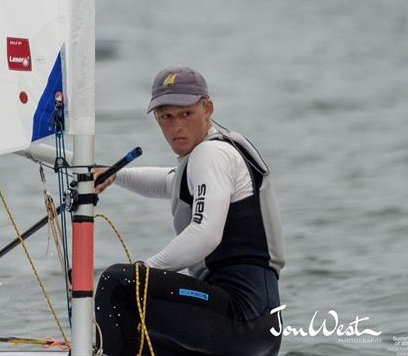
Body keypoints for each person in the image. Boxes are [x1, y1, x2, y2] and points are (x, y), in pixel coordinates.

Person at [94, 66, 285, 356]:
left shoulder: (211, 155)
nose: (176, 126)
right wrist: (116, 175)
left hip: (241, 316)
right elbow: (171, 182)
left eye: (186, 114)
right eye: (166, 117)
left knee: (119, 284)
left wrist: (144, 271)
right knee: (144, 328)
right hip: (258, 325)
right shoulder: (213, 153)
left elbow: (205, 234)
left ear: (207, 109)